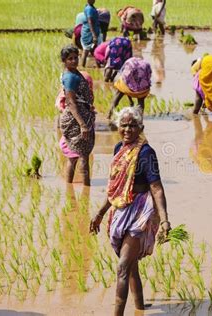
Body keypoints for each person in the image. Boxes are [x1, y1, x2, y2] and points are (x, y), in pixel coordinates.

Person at [89, 107, 171, 316]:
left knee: (123, 267)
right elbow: (116, 188)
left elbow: (157, 188)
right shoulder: (118, 148)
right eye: (123, 125)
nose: (127, 129)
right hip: (121, 210)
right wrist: (100, 214)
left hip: (139, 213)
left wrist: (164, 221)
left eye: (132, 125)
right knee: (131, 265)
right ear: (118, 127)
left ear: (140, 128)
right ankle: (140, 309)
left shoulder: (146, 153)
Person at [59, 45, 96, 186]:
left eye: (76, 57)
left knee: (77, 156)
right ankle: (85, 188)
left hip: (81, 116)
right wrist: (83, 125)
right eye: (70, 59)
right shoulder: (70, 77)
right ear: (64, 61)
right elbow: (71, 102)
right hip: (77, 120)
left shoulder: (74, 73)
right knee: (80, 157)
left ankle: (74, 189)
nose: (74, 61)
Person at [81, 0, 103, 67]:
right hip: (89, 33)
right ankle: (82, 67)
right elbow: (89, 22)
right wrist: (93, 35)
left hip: (92, 32)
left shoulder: (91, 7)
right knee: (86, 50)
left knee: (95, 50)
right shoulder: (89, 9)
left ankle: (98, 66)